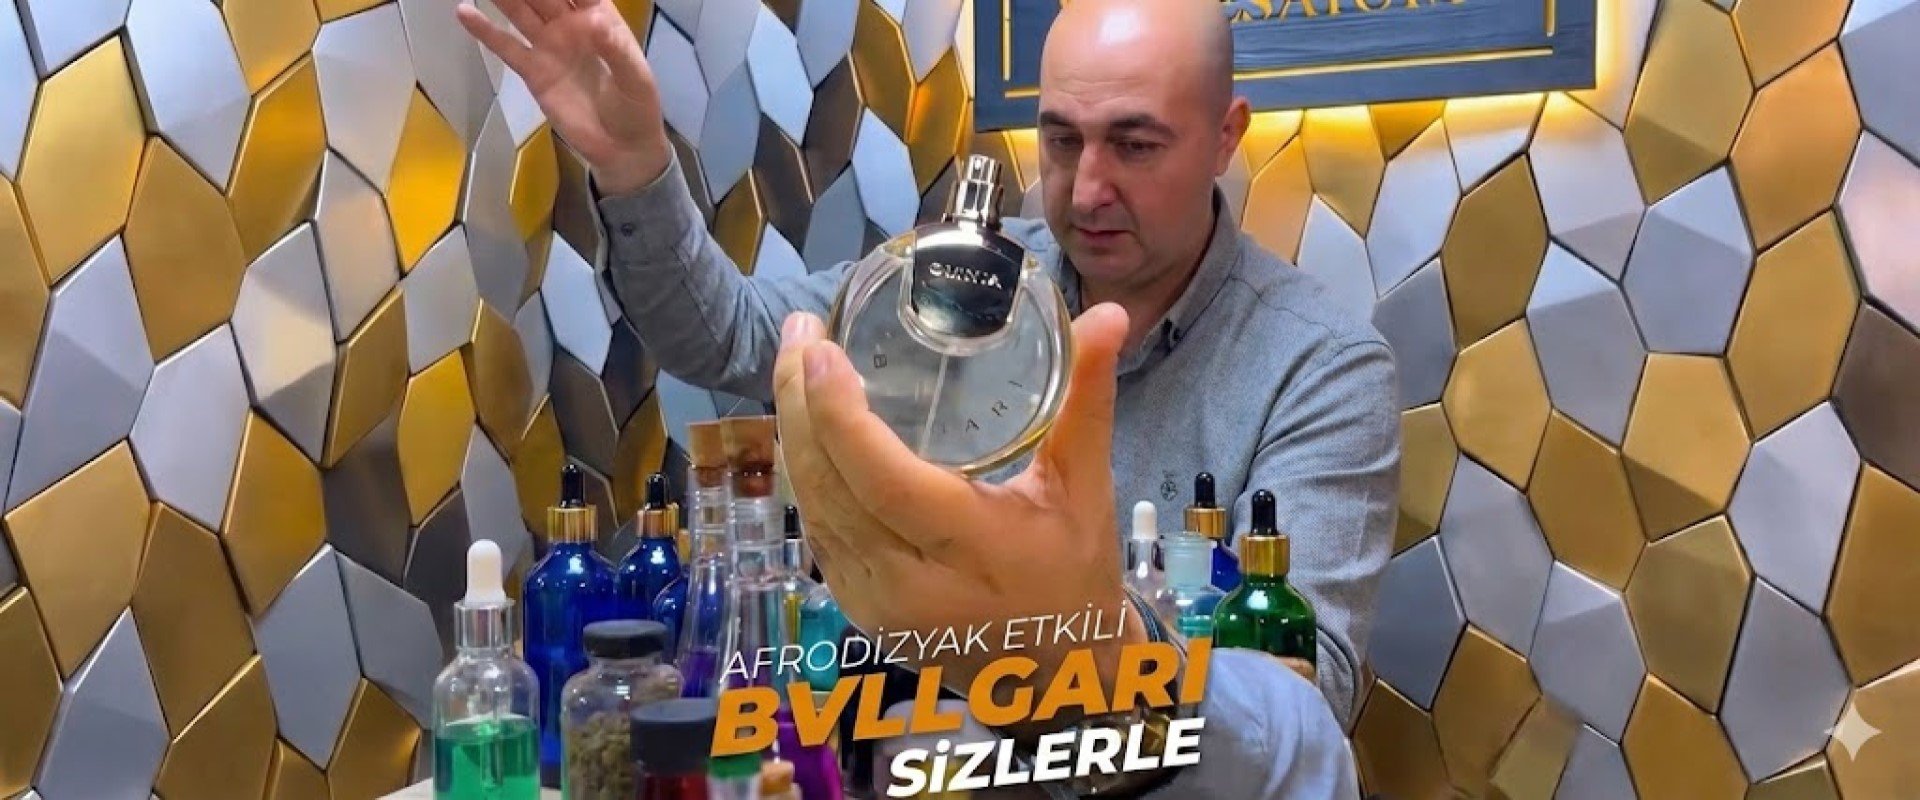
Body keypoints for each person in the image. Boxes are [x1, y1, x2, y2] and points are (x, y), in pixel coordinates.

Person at [459, 0, 1394, 760]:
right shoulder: (966, 280)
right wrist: (633, 164)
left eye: (1136, 145)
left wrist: (1096, 644)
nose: (1087, 189)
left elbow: (1310, 698)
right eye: (1062, 141)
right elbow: (725, 333)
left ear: (1226, 136)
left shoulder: (1318, 366)